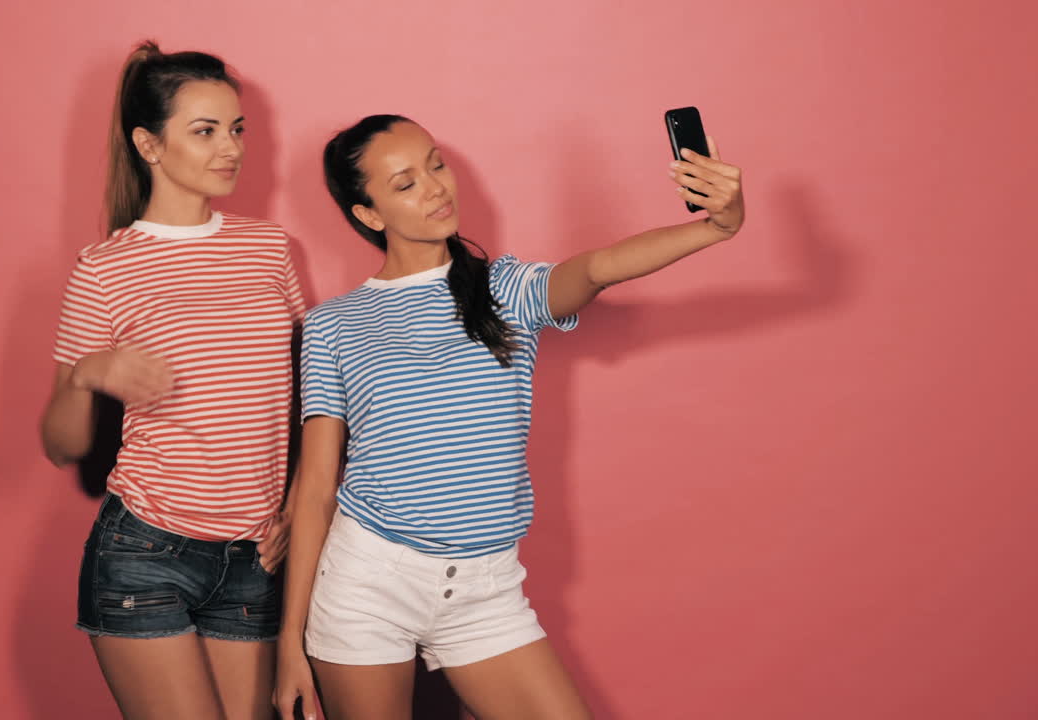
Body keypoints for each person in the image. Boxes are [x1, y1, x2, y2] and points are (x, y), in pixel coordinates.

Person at [274, 114, 745, 720]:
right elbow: (314, 488)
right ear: (369, 214)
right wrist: (290, 641)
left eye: (436, 164)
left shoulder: (503, 289)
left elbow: (598, 268)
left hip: (485, 587)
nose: (436, 187)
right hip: (369, 579)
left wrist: (716, 228)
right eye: (405, 183)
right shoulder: (333, 324)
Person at [40, 41, 305, 719]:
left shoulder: (268, 247)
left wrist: (299, 506)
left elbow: (314, 394)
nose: (231, 148)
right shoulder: (105, 269)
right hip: (147, 551)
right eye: (205, 131)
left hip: (256, 557)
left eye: (237, 129)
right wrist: (85, 377)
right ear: (148, 145)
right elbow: (63, 444)